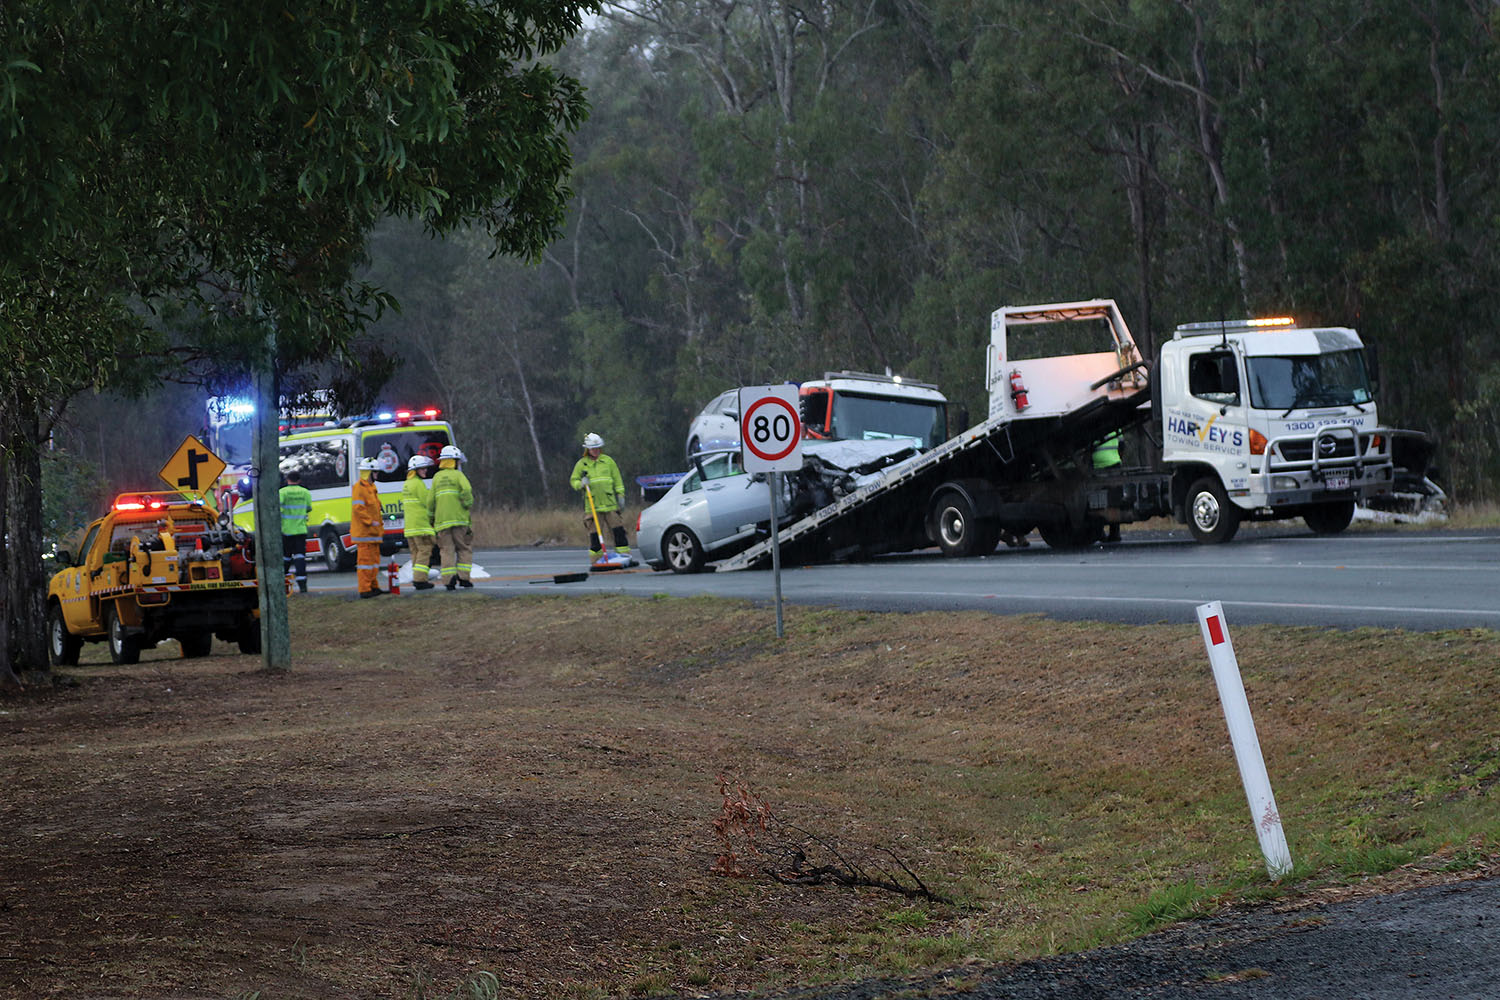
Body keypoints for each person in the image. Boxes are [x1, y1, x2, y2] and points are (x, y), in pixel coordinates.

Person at [569, 432, 631, 563]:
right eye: (593, 449)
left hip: (610, 505)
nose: (596, 451)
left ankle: (625, 557)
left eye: (598, 448)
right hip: (592, 506)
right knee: (595, 536)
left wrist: (621, 496)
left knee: (618, 532)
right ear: (587, 449)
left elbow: (617, 480)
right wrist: (581, 484)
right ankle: (596, 560)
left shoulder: (608, 461)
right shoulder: (582, 464)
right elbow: (573, 481)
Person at [427, 444, 474, 590]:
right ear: (453, 461)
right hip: (460, 520)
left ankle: (449, 581)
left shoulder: (437, 477)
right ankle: (464, 578)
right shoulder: (458, 475)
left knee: (446, 551)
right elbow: (467, 490)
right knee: (463, 549)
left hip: (442, 522)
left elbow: (430, 501)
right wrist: (467, 503)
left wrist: (431, 518)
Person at [402, 454, 437, 590]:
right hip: (420, 526)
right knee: (425, 551)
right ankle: (420, 580)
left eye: (425, 469)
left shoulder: (407, 484)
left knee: (416, 553)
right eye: (422, 469)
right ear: (415, 470)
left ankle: (417, 577)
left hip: (410, 527)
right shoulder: (418, 484)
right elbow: (428, 503)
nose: (425, 471)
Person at [352, 457, 385, 598]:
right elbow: (358, 508)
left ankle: (373, 586)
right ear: (368, 473)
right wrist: (370, 522)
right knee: (365, 562)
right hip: (365, 533)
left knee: (373, 562)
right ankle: (364, 589)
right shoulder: (359, 487)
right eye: (375, 472)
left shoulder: (372, 488)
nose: (377, 475)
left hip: (373, 533)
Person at [278, 470, 312, 594]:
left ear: (288, 480)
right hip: (301, 530)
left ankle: (282, 585)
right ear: (299, 480)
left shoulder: (282, 492)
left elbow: (278, 508)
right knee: (300, 557)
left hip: (286, 530)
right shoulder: (305, 492)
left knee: (286, 558)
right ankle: (303, 586)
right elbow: (308, 508)